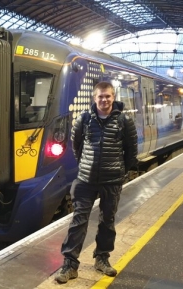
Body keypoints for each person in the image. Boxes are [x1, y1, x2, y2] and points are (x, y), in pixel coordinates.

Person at [54, 82, 138, 284]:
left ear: (113, 96)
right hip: (86, 180)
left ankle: (102, 259)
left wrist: (120, 172)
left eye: (108, 96)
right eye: (100, 96)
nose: (104, 100)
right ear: (94, 98)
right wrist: (86, 166)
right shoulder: (83, 119)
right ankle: (70, 264)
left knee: (107, 221)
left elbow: (131, 151)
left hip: (112, 180)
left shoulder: (124, 120)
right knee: (78, 220)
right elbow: (76, 147)